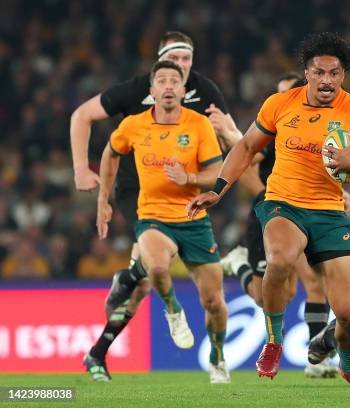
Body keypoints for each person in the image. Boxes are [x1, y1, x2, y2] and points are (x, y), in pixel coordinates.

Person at [187, 32, 350, 390]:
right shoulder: (280, 104)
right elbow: (247, 147)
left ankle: (348, 365)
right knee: (279, 260)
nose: (327, 80)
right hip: (283, 202)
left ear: (343, 76)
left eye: (335, 73)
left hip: (329, 211)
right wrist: (217, 190)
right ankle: (274, 342)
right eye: (319, 72)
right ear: (307, 73)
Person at [70, 31, 255, 381]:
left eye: (186, 61)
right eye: (171, 63)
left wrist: (227, 136)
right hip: (141, 192)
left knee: (209, 300)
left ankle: (103, 340)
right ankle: (143, 296)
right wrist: (87, 176)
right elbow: (84, 119)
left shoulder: (206, 97)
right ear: (153, 83)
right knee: (153, 268)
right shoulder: (135, 97)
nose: (179, 69)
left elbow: (238, 148)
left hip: (190, 197)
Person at [94, 60, 230, 384]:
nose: (168, 86)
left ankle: (218, 358)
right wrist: (103, 198)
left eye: (175, 81)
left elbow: (217, 172)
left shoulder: (198, 125)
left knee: (215, 302)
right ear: (151, 91)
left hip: (193, 218)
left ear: (183, 91)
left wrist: (189, 177)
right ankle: (173, 310)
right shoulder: (133, 125)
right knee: (155, 266)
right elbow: (110, 153)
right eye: (162, 81)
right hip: (153, 215)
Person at [216, 72, 347, 378]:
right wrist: (230, 133)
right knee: (271, 296)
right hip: (273, 215)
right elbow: (247, 153)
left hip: (307, 214)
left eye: (288, 91)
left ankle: (317, 363)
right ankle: (239, 264)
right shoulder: (275, 136)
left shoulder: (319, 131)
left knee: (315, 285)